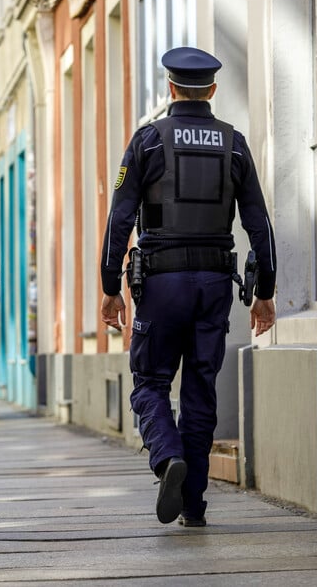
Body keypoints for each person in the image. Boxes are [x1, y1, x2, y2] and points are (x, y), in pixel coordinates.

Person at [100, 47, 277, 528]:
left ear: (170, 89)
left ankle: (166, 458)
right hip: (216, 283)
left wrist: (110, 284)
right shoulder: (234, 144)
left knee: (151, 381)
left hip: (161, 283)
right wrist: (266, 291)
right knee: (201, 389)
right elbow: (258, 222)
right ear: (212, 91)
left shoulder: (148, 142)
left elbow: (120, 217)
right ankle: (194, 506)